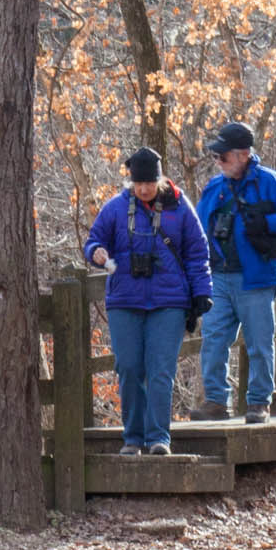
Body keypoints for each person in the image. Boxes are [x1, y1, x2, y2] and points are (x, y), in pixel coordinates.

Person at [84, 146, 213, 456]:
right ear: (131, 181)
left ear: (160, 180)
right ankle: (133, 437)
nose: (144, 189)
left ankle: (158, 438)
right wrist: (96, 253)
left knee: (160, 370)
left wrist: (201, 294)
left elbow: (197, 253)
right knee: (128, 367)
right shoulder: (115, 209)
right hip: (125, 300)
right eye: (138, 183)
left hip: (168, 301)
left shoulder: (180, 208)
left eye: (149, 183)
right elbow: (94, 240)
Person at [193, 121, 276, 423]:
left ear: (243, 154)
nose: (218, 162)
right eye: (217, 157)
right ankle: (217, 401)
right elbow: (196, 228)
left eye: (224, 156)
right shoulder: (215, 187)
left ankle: (259, 403)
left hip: (255, 277)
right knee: (214, 340)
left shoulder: (269, 182)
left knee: (259, 342)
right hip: (218, 276)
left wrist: (267, 224)